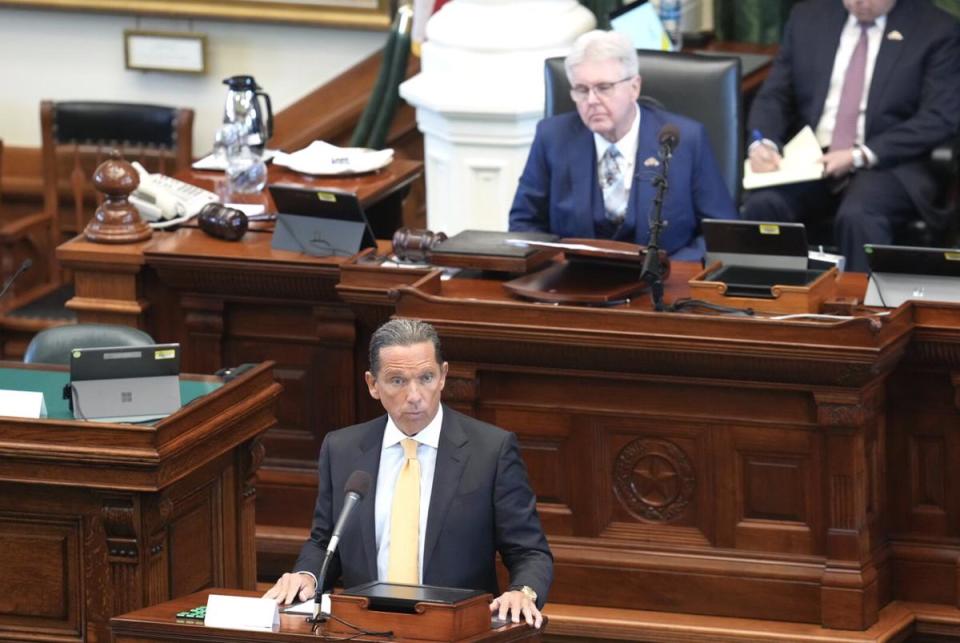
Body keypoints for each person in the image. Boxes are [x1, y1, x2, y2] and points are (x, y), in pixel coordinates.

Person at [264, 319, 553, 627]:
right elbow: (326, 541)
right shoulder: (342, 449)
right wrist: (306, 575)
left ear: (443, 376)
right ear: (373, 385)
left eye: (425, 377)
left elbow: (530, 552)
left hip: (458, 632)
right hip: (365, 628)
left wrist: (523, 592)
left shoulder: (491, 451)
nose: (414, 395)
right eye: (398, 381)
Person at [742, 0, 960, 272]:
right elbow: (775, 94)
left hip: (888, 161)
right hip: (813, 157)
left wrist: (859, 155)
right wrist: (763, 142)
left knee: (858, 215)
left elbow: (939, 117)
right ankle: (771, 303)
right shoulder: (807, 18)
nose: (860, 2)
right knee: (764, 204)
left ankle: (860, 310)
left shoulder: (936, 29)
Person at [508, 29, 737, 261]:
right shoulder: (552, 137)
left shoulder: (684, 140)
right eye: (581, 90)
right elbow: (524, 223)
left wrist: (672, 270)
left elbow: (722, 232)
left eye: (604, 88)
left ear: (634, 87)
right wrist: (557, 265)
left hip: (663, 284)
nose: (592, 101)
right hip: (575, 284)